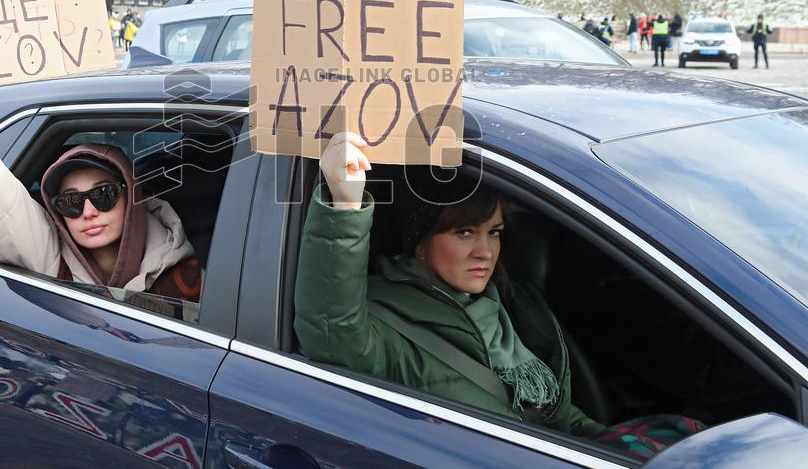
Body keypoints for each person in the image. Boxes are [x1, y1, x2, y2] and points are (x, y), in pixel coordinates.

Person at [295, 133, 703, 458]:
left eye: (494, 232)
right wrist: (345, 204)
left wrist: (612, 452)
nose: (485, 251)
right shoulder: (386, 324)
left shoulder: (509, 305)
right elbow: (332, 328)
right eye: (464, 232)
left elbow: (560, 419)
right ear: (420, 242)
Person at [0, 53, 202, 301]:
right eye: (70, 202)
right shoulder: (52, 263)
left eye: (104, 195)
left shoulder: (185, 273)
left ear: (131, 196)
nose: (88, 212)